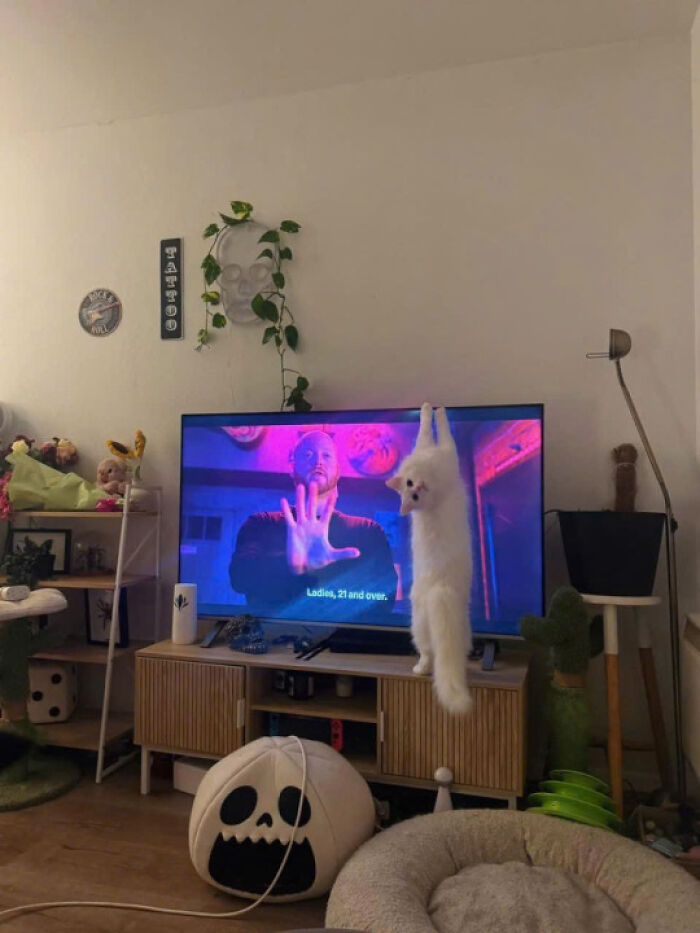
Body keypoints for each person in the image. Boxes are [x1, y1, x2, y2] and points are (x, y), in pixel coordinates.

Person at [229, 431, 397, 622]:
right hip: (273, 634)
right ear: (292, 469)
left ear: (338, 471)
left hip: (344, 638)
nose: (318, 461)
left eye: (326, 455)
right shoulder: (261, 524)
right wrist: (290, 564)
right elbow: (239, 580)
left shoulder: (368, 531)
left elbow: (385, 600)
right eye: (308, 455)